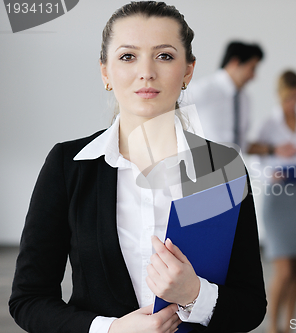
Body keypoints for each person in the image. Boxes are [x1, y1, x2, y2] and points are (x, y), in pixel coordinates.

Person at [9, 2, 266, 333]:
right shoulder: (68, 167)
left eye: (165, 56)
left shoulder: (220, 169)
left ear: (188, 71)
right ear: (105, 71)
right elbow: (28, 300)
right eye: (128, 56)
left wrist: (195, 295)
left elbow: (251, 307)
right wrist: (110, 329)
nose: (146, 72)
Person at [256, 70, 296, 333]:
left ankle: (289, 325)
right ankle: (273, 326)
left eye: (295, 96)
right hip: (277, 198)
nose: (291, 102)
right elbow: (253, 159)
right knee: (283, 269)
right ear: (279, 95)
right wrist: (271, 172)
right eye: (287, 97)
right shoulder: (269, 125)